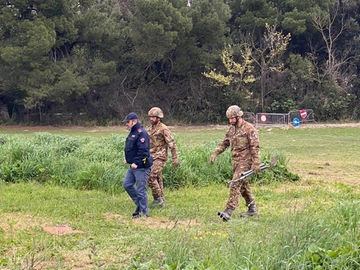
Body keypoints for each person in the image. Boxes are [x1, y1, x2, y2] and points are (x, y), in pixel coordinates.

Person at [210, 105, 261, 221]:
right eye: (229, 119)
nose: (230, 121)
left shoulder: (249, 129)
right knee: (244, 186)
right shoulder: (232, 129)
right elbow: (224, 143)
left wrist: (256, 163)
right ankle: (252, 209)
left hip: (246, 161)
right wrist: (215, 153)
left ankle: (228, 211)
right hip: (235, 162)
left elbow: (255, 147)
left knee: (235, 183)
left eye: (232, 118)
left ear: (239, 116)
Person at [122, 112, 153, 219]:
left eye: (128, 122)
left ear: (134, 121)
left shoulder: (141, 133)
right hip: (133, 165)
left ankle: (144, 213)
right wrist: (128, 159)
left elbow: (143, 151)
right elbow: (132, 147)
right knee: (127, 184)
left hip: (141, 166)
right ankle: (139, 206)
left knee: (141, 190)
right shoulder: (133, 132)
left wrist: (136, 162)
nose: (126, 124)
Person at [147, 107, 179, 207]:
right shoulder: (150, 129)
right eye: (150, 117)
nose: (151, 119)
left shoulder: (164, 129)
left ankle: (158, 199)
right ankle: (161, 201)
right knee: (158, 178)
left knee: (150, 176)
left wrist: (175, 158)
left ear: (159, 118)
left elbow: (172, 144)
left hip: (160, 157)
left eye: (153, 117)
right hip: (151, 156)